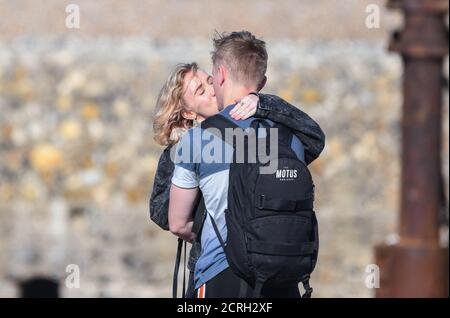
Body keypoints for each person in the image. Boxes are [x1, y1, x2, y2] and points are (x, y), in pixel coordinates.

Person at [168, 31, 321, 298]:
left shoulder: (197, 139)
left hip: (221, 275)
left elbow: (177, 223)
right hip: (283, 277)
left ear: (221, 75)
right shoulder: (291, 137)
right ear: (262, 82)